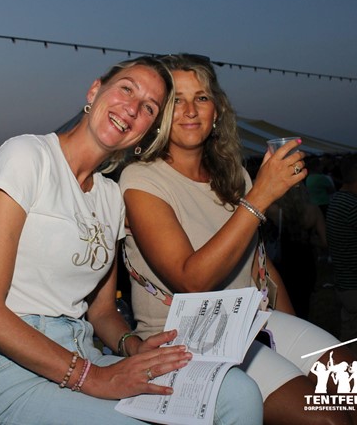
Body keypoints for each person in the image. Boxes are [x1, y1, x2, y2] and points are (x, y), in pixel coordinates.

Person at [0, 56, 263, 425]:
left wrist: (134, 347)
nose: (132, 108)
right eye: (126, 89)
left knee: (237, 392)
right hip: (13, 369)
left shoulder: (110, 197)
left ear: (149, 130)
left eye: (149, 107)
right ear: (94, 91)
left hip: (85, 351)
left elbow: (102, 312)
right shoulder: (28, 156)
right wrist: (95, 378)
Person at [119, 53, 357, 425]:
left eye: (201, 97)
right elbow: (191, 280)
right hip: (186, 337)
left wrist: (291, 329)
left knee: (349, 388)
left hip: (252, 321)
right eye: (177, 100)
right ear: (160, 112)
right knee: (328, 418)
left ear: (216, 111)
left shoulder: (233, 178)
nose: (191, 110)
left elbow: (259, 264)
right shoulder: (141, 179)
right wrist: (261, 196)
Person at [266, 183, 328, 319]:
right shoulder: (313, 210)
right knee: (304, 303)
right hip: (307, 263)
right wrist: (310, 241)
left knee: (286, 303)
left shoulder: (275, 211)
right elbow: (325, 242)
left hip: (285, 263)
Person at [326, 154, 357, 355]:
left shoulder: (337, 199)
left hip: (344, 281)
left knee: (349, 335)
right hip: (353, 283)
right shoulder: (351, 206)